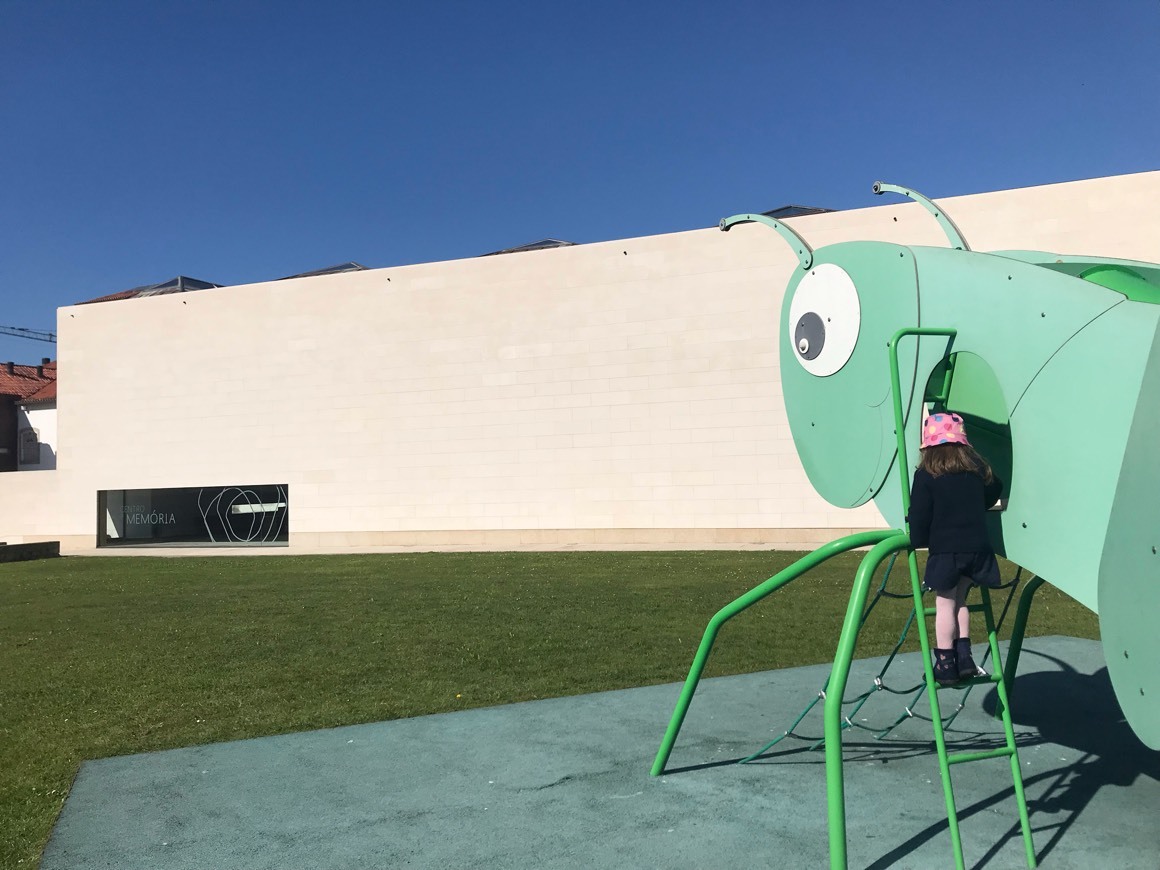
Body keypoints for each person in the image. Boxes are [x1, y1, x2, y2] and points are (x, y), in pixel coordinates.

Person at [907, 412, 1004, 686]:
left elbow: (920, 514)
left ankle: (945, 663)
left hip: (947, 550)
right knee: (961, 600)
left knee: (944, 604)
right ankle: (964, 658)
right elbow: (996, 487)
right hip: (976, 548)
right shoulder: (975, 470)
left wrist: (917, 538)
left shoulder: (927, 474)